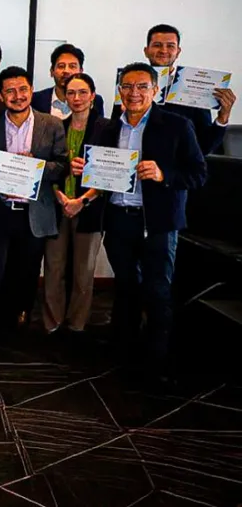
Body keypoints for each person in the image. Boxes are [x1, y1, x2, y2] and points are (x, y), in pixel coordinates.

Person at [85, 62, 206, 386]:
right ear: (119, 90)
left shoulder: (177, 125)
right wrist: (85, 169)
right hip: (118, 220)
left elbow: (199, 174)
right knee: (125, 289)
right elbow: (100, 175)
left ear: (155, 90)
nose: (134, 93)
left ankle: (156, 363)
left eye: (142, 87)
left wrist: (164, 175)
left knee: (157, 292)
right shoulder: (106, 128)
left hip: (159, 224)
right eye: (127, 86)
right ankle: (122, 353)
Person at [0, 66, 68, 343]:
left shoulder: (51, 124)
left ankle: (15, 327)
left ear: (31, 90)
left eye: (23, 89)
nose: (18, 95)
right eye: (10, 91)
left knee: (24, 275)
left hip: (33, 213)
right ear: (1, 95)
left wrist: (36, 166)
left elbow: (62, 166)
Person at [42, 73, 110, 335]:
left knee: (83, 272)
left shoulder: (107, 128)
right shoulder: (58, 126)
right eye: (71, 93)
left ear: (93, 96)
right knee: (53, 267)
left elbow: (111, 172)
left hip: (89, 208)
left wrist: (82, 200)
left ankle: (76, 324)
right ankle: (52, 322)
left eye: (82, 92)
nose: (77, 98)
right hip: (58, 207)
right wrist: (61, 198)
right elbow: (52, 167)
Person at [140, 24, 235, 155]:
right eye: (157, 45)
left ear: (178, 52)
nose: (163, 50)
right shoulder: (128, 84)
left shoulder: (195, 88)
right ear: (146, 51)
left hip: (177, 169)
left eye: (170, 46)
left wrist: (223, 116)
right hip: (137, 165)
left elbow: (205, 146)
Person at [30, 43, 105, 118]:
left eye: (72, 66)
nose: (66, 71)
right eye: (61, 66)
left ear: (81, 71)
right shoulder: (35, 99)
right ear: (52, 71)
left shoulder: (95, 100)